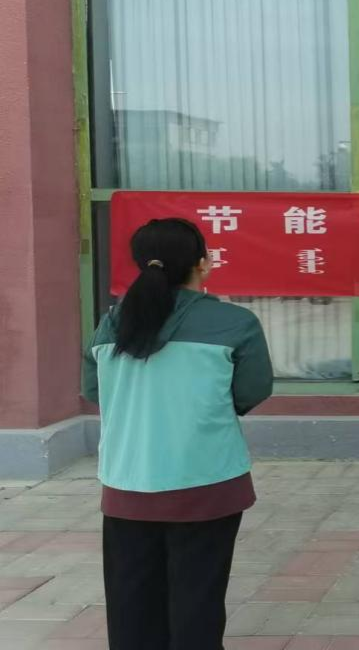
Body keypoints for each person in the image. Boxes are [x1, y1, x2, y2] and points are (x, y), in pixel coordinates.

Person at [82, 218, 273, 649]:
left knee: (131, 605)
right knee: (197, 602)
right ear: (203, 263)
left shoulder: (113, 323)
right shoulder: (235, 323)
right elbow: (252, 390)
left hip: (127, 485)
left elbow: (95, 391)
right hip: (207, 485)